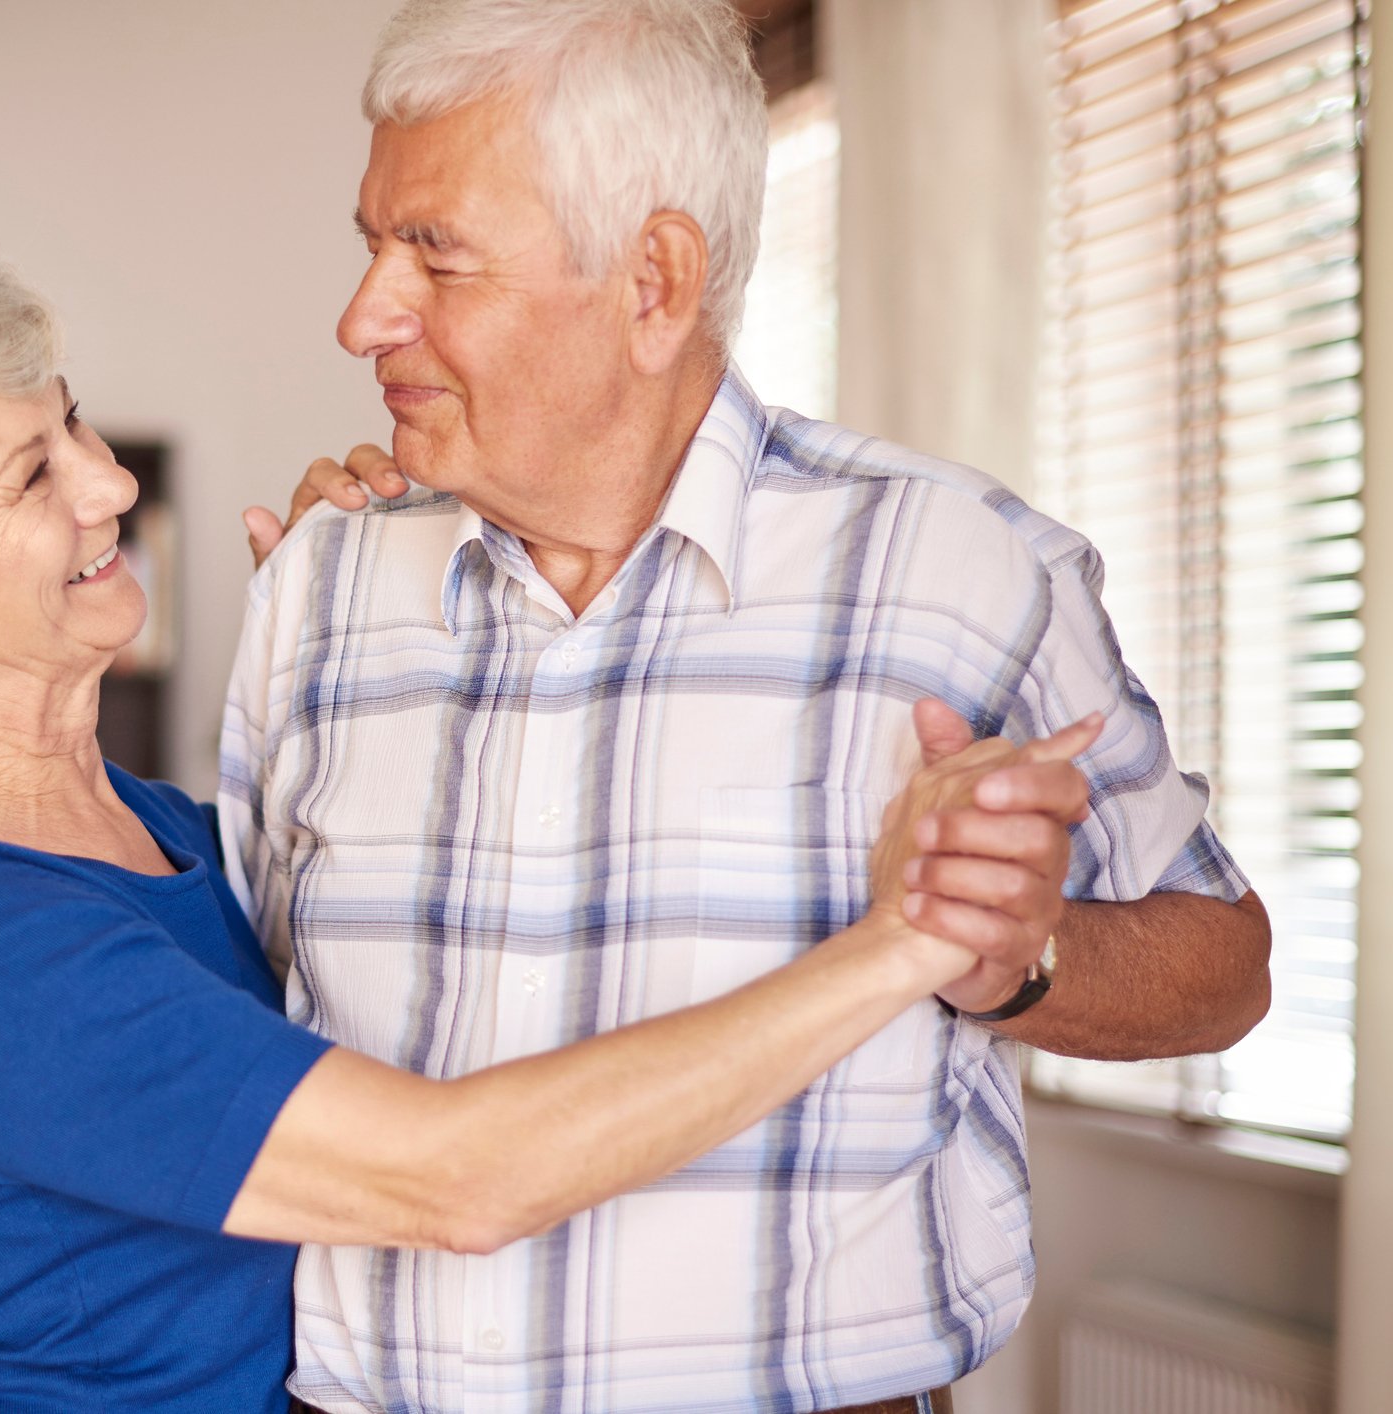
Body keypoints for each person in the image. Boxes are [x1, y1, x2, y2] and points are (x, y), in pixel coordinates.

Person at [0, 244, 1097, 1412]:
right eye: (32, 473)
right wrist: (908, 941)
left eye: (71, 419)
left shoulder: (129, 820)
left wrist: (362, 651)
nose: (111, 481)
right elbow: (455, 1178)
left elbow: (386, 958)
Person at [219, 2, 1274, 1411]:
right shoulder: (316, 593)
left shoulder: (953, 572)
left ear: (654, 281)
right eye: (371, 240)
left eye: (436, 253)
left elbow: (1226, 958)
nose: (364, 316)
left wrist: (1017, 958)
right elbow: (248, 1027)